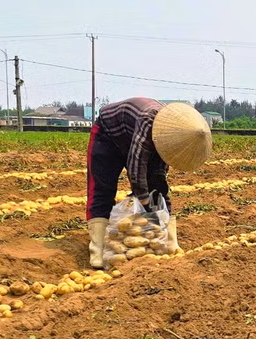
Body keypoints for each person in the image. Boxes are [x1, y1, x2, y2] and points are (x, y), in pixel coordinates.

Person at [86, 98, 212, 268]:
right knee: (102, 189)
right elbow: (136, 168)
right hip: (108, 135)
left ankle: (170, 243)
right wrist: (145, 203)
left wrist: (163, 225)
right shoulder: (149, 121)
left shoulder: (169, 141)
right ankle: (98, 251)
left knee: (157, 186)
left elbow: (159, 181)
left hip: (133, 133)